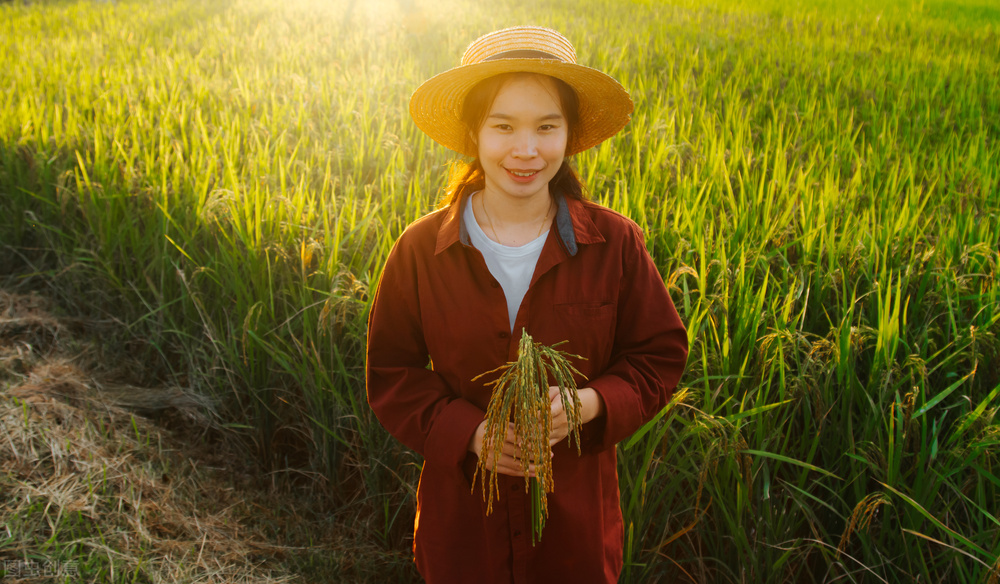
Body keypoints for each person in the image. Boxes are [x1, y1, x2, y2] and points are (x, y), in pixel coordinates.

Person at [366, 26, 687, 584]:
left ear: (570, 135)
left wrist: (590, 403)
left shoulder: (616, 246)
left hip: (575, 539)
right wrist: (469, 433)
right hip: (464, 536)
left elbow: (658, 357)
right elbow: (392, 373)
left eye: (546, 127)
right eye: (503, 126)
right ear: (473, 133)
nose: (526, 150)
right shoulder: (420, 251)